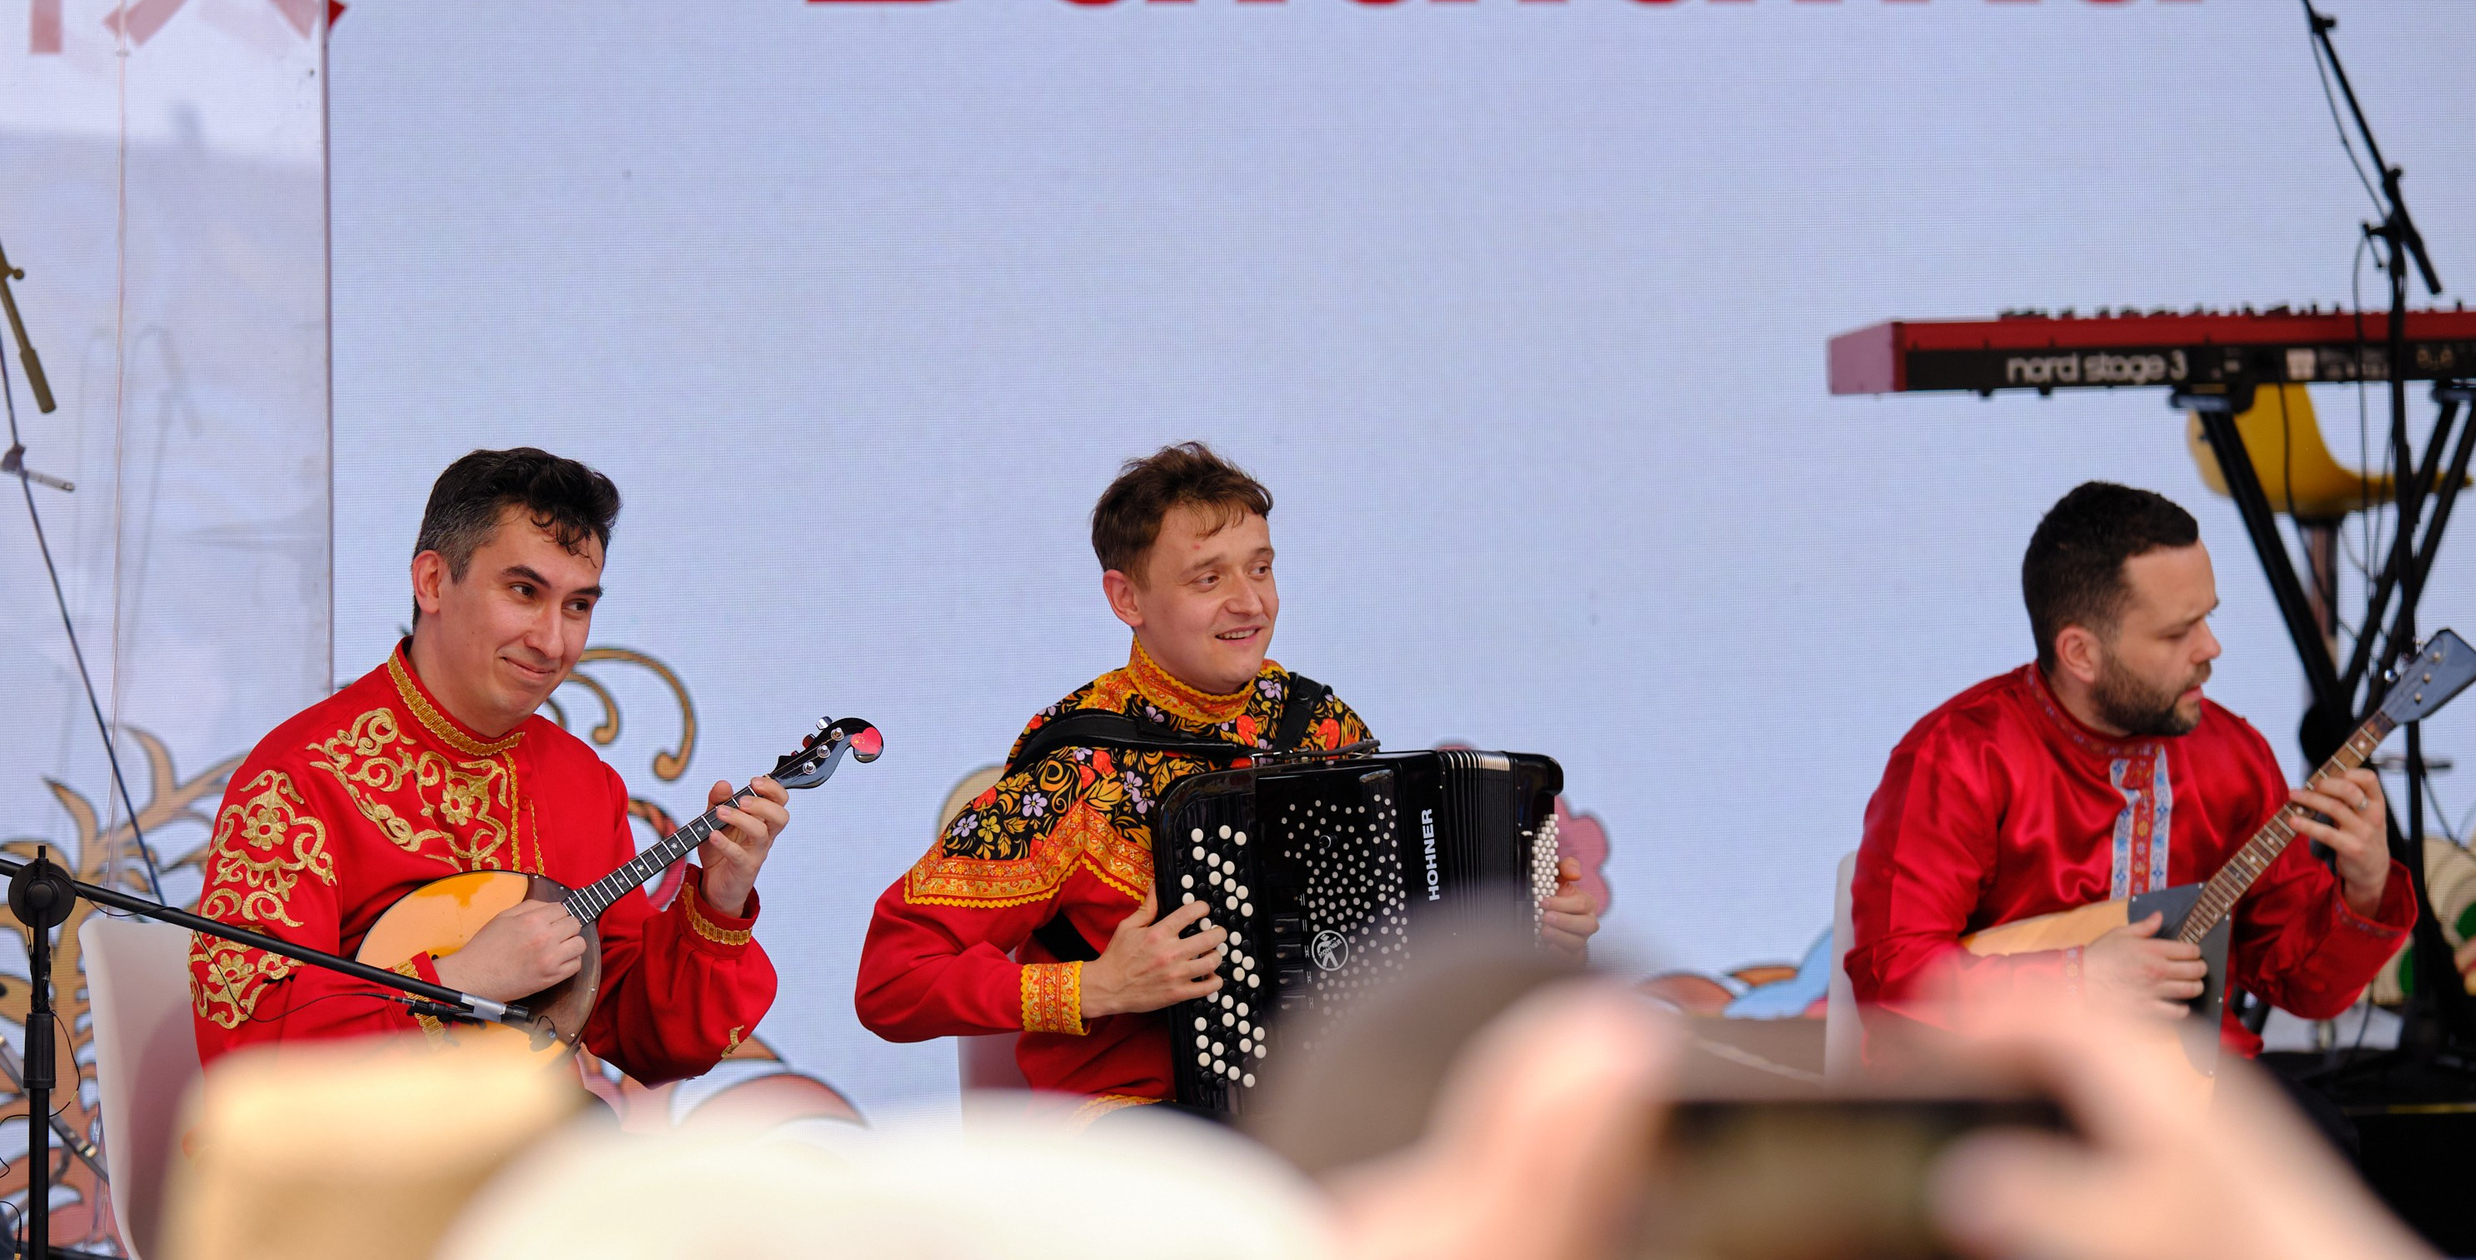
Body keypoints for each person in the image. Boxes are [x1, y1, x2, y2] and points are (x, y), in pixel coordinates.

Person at [855, 441, 1600, 1114]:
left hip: (1324, 1105)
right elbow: (891, 980)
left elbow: (1400, 936)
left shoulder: (1322, 727)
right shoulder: (1075, 774)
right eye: (1209, 577)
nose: (1250, 602)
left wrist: (1530, 927)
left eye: (1262, 567)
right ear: (1127, 599)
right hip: (1134, 1122)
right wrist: (1096, 986)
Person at [188, 448, 788, 1082]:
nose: (553, 641)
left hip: (530, 1159)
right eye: (525, 592)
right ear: (432, 582)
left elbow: (650, 1042)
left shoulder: (584, 785)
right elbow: (245, 1045)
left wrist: (719, 904)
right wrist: (459, 980)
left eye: (578, 606)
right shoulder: (299, 780)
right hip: (351, 1167)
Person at [1848, 481, 2414, 1059]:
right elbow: (1893, 974)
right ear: (2081, 653)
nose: (2211, 647)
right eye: (2176, 632)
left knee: (2320, 1139)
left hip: (2188, 1090)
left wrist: (2366, 887)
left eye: (2208, 618)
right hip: (2008, 1091)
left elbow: (2303, 986)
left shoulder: (2233, 756)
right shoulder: (1960, 757)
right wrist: (2077, 979)